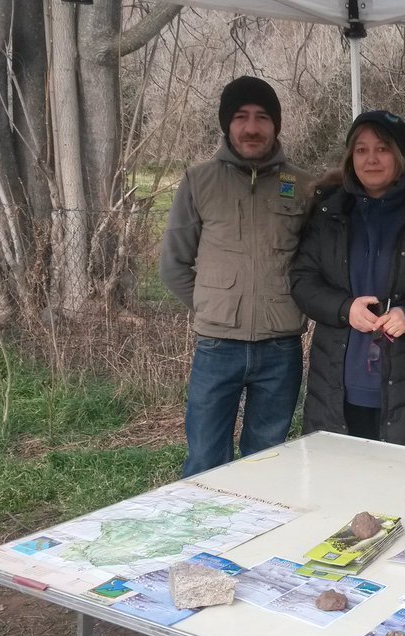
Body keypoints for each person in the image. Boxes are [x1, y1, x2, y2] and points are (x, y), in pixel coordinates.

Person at [290, 110, 405, 453]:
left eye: (382, 148)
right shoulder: (328, 213)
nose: (371, 159)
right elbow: (303, 280)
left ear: (401, 156)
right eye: (361, 150)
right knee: (339, 486)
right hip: (340, 383)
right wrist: (344, 308)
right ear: (351, 158)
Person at [159, 76, 310, 477]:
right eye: (241, 117)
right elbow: (173, 265)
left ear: (275, 125)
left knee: (268, 460)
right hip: (216, 347)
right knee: (205, 459)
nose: (252, 127)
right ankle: (204, 535)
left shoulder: (303, 186)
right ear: (227, 125)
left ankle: (262, 536)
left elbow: (314, 265)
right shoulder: (199, 182)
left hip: (281, 349)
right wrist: (214, 307)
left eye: (262, 117)